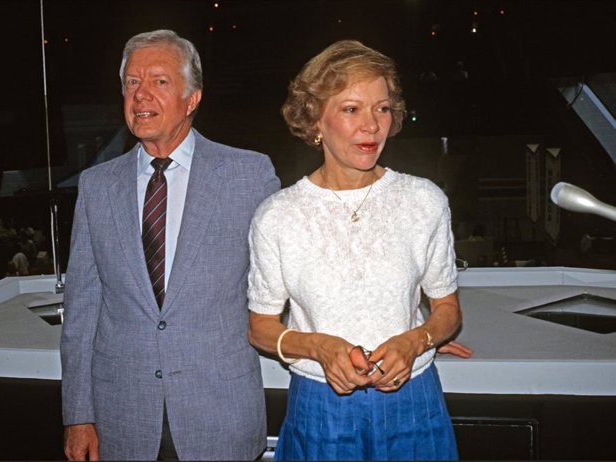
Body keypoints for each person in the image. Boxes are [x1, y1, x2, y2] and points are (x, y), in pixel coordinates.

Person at [247, 40, 473, 460]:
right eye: (352, 109)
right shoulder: (277, 216)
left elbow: (447, 309)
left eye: (382, 108)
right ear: (315, 119)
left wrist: (416, 341)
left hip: (414, 403)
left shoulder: (423, 200)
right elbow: (260, 326)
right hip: (319, 408)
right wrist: (319, 347)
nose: (372, 125)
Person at [61, 29, 280, 461]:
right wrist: (77, 415)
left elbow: (292, 276)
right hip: (121, 420)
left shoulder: (248, 176)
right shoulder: (96, 186)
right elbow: (83, 308)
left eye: (159, 81)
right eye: (132, 83)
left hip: (220, 416)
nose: (141, 95)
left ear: (192, 98)